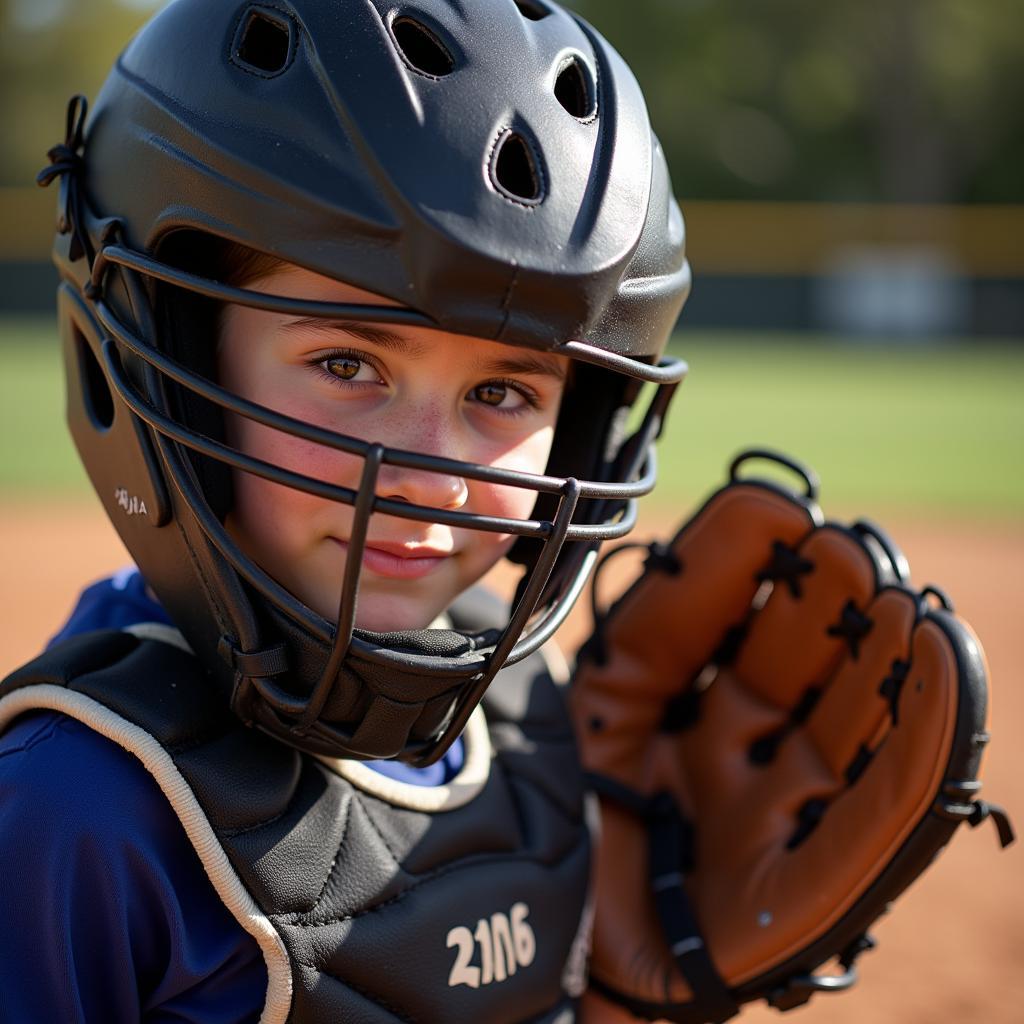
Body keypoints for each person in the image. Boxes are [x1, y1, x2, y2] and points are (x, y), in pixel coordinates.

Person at [0, 0, 689, 1021]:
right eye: (347, 363)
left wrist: (629, 1001)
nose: (431, 477)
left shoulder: (536, 722)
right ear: (172, 354)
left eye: (503, 393)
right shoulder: (79, 810)